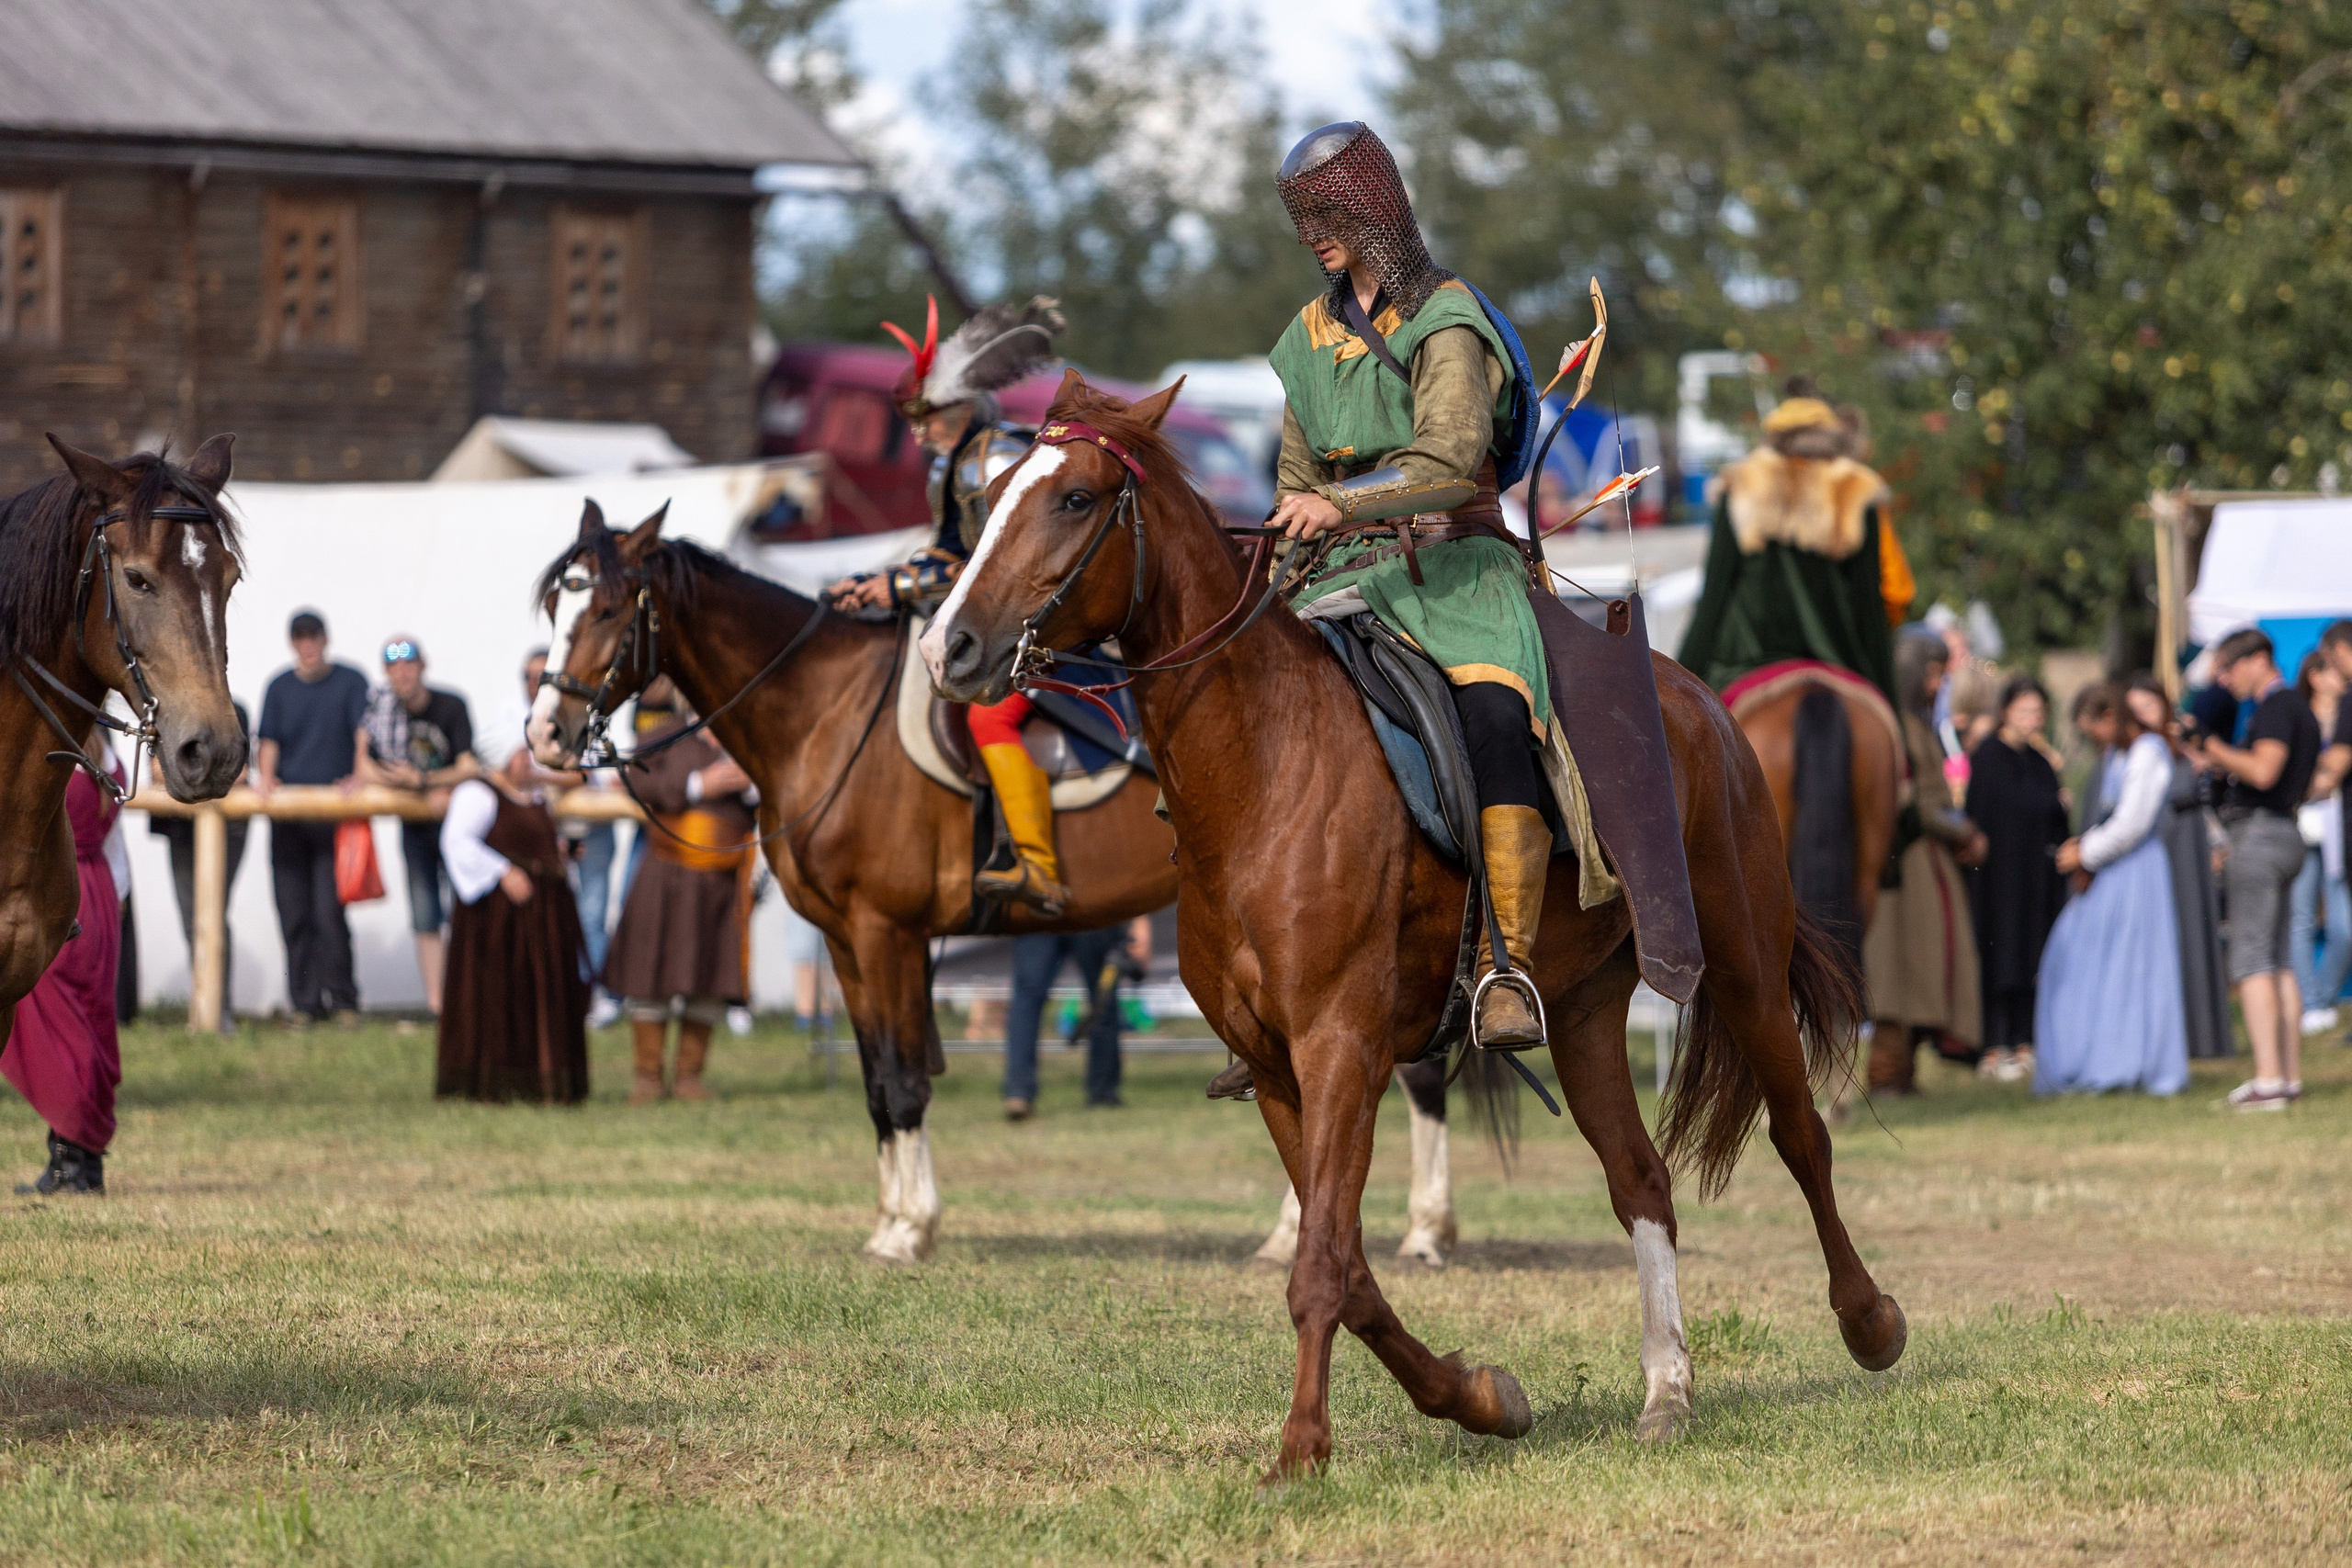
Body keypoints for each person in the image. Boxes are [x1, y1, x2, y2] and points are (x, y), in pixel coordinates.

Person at [1260, 119, 1559, 1051]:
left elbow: (1449, 458)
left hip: (1456, 570)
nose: (1313, 235)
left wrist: (1338, 504)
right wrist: (1280, 556)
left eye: (1328, 214)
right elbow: (1294, 481)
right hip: (1339, 576)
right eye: (1303, 218)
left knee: (1496, 715)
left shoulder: (1446, 317)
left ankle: (1506, 967)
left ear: (1373, 206)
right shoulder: (1305, 338)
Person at [825, 294, 1071, 913]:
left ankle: (1038, 865)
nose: (917, 433)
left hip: (1034, 631)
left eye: (926, 417)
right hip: (987, 625)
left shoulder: (1000, 458)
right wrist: (880, 581)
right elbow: (947, 553)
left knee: (991, 719)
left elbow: (1001, 574)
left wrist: (901, 588)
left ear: (961, 406)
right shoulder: (951, 465)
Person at [1678, 378, 1909, 707]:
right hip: (1838, 663)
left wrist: (1680, 681)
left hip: (1746, 664)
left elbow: (1714, 598)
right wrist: (1890, 702)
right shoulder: (1856, 491)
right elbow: (1869, 606)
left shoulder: (1740, 487)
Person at [601, 678, 755, 1103]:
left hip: (721, 882)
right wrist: (698, 785)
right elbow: (637, 782)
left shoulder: (746, 740)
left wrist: (749, 781)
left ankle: (689, 1078)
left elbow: (780, 791)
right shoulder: (664, 734)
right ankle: (647, 1078)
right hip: (666, 874)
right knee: (650, 972)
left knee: (709, 975)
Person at [2034, 685, 2189, 1096]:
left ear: (2111, 718)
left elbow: (2133, 824)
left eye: (2095, 730)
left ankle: (2127, 1060)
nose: (2095, 740)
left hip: (2137, 871)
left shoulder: (2148, 753)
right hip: (2111, 870)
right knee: (2082, 957)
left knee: (2133, 965)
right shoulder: (2117, 755)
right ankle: (2094, 1054)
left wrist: (2085, 852)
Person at [2190, 627, 2320, 1110]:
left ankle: (2267, 1080)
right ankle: (2287, 1077)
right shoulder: (2297, 708)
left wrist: (2210, 746)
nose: (2225, 681)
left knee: (2252, 960)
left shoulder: (2275, 708)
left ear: (2257, 659)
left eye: (2229, 669)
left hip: (2260, 836)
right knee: (2279, 961)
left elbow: (2264, 771)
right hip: (2286, 832)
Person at [1862, 630, 1987, 1092]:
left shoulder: (1917, 725)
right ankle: (1887, 1072)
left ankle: (1904, 1071)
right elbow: (1907, 798)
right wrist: (1963, 830)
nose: (1938, 686)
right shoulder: (1890, 724)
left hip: (1926, 865)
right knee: (1896, 970)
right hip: (1900, 866)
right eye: (1932, 674)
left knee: (1925, 966)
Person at [435, 744, 591, 1103]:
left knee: (542, 997)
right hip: (497, 923)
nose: (526, 761)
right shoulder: (478, 794)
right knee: (500, 997)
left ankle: (542, 1082)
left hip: (542, 918)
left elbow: (529, 841)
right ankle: (496, 1082)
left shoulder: (535, 795)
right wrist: (501, 871)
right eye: (519, 754)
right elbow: (456, 842)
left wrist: (559, 851)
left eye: (527, 754)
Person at [7, 739, 129, 1194]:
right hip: (101, 894)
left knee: (61, 1031)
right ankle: (85, 1163)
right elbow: (116, 850)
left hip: (60, 895)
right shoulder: (110, 761)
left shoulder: (54, 761)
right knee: (91, 1024)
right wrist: (114, 904)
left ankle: (70, 1165)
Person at [254, 609, 370, 1024]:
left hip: (333, 818)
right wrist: (266, 778)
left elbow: (363, 734)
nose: (308, 645)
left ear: (325, 639)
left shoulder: (351, 681)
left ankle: (343, 1001)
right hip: (288, 819)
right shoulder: (279, 687)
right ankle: (305, 1005)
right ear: (293, 643)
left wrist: (360, 775)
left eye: (313, 637)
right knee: (293, 914)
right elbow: (268, 741)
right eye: (300, 638)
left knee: (329, 913)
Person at [356, 636, 478, 1015]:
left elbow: (469, 767)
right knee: (425, 918)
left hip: (458, 828)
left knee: (467, 914)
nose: (402, 672)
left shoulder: (450, 705)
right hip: (415, 829)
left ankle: (468, 998)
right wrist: (415, 787)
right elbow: (364, 769)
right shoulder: (382, 712)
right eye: (393, 665)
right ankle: (439, 1005)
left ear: (423, 666)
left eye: (409, 663)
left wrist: (423, 780)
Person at [1964, 675, 2069, 1081]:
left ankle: (2026, 1039)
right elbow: (1987, 812)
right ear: (2006, 711)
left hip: (2036, 878)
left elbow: (2056, 815)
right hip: (1998, 879)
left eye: (2038, 712)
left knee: (2032, 954)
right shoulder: (1989, 757)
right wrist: (2051, 804)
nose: (2031, 720)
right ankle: (1994, 1043)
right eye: (2024, 711)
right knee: (1998, 952)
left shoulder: (2041, 762)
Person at [2124, 673, 2233, 1060]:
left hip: (2187, 846)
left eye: (2149, 707)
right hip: (2151, 848)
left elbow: (2210, 793)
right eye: (2136, 710)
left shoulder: (2182, 745)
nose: (2144, 716)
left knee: (2191, 930)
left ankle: (2198, 1033)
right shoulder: (2132, 753)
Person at [150, 699, 252, 1025]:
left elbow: (240, 773)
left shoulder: (232, 711)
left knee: (213, 915)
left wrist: (185, 777)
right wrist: (208, 777)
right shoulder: (163, 711)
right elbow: (156, 771)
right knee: (190, 917)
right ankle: (204, 1005)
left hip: (228, 829)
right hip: (180, 828)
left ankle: (220, 1009)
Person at [1001, 915, 1150, 1119]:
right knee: (1102, 1001)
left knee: (1028, 999)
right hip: (1088, 911)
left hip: (1041, 910)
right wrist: (1139, 918)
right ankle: (1102, 1094)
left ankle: (1018, 1092)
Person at [2286, 651, 2351, 1032]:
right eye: (2333, 672)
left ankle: (2324, 995)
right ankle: (2309, 1003)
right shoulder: (2298, 716)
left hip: (2338, 830)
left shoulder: (2346, 714)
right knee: (2301, 918)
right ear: (2314, 676)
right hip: (2303, 827)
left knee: (2344, 924)